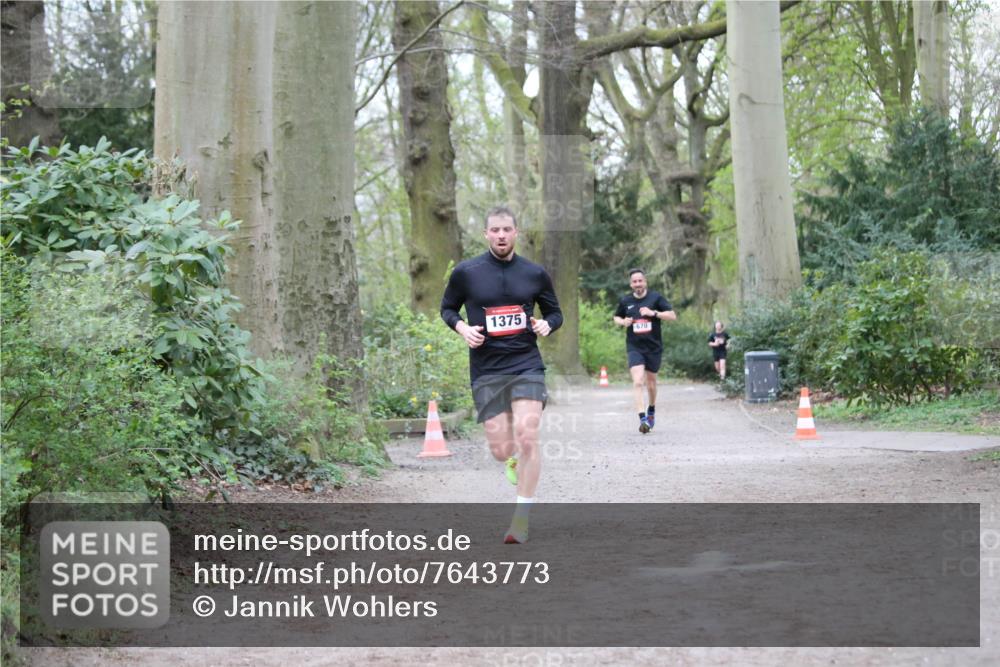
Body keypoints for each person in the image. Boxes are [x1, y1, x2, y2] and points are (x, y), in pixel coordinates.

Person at [440, 206, 562, 544]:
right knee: (501, 448)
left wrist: (546, 324)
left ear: (516, 232)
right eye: (495, 230)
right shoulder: (467, 273)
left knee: (527, 436)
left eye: (507, 229)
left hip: (526, 363)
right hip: (486, 369)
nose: (501, 236)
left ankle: (520, 519)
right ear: (486, 234)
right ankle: (510, 460)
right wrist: (462, 328)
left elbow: (555, 312)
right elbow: (447, 309)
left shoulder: (534, 274)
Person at [613, 268, 676, 434]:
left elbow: (672, 315)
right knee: (638, 381)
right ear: (631, 284)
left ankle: (651, 410)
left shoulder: (656, 298)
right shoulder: (626, 301)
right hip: (635, 347)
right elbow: (616, 317)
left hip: (653, 347)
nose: (637, 284)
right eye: (634, 281)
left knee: (651, 384)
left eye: (640, 281)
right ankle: (643, 419)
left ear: (645, 282)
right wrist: (623, 322)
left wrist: (653, 313)